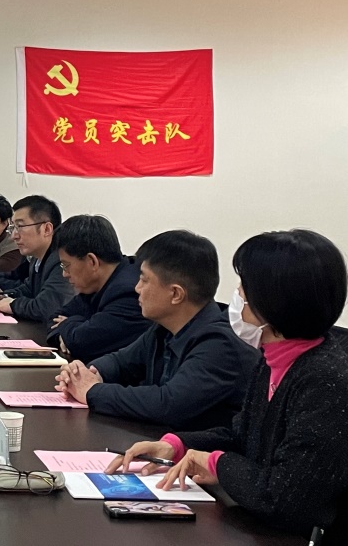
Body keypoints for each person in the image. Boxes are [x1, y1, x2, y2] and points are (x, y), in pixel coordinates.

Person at [108, 230, 348, 540]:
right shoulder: (273, 358)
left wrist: (217, 464)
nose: (236, 298)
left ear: (275, 303)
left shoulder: (326, 380)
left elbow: (284, 498)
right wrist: (177, 445)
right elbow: (241, 436)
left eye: (243, 290)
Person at [55, 230, 258, 430]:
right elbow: (120, 361)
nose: (137, 288)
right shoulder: (163, 329)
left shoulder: (220, 343)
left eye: (144, 280)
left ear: (176, 294)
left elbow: (168, 404)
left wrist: (92, 391)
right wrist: (84, 373)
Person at [46, 215, 148, 363]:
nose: (64, 274)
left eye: (66, 265)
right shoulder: (94, 286)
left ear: (92, 262)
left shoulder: (130, 294)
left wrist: (69, 324)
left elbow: (82, 342)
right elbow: (54, 318)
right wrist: (80, 324)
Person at [0, 195, 74, 323]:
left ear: (46, 229)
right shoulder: (37, 258)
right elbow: (28, 289)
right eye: (13, 228)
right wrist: (5, 295)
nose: (14, 236)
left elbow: (47, 307)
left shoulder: (62, 260)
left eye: (20, 227)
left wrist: (13, 305)